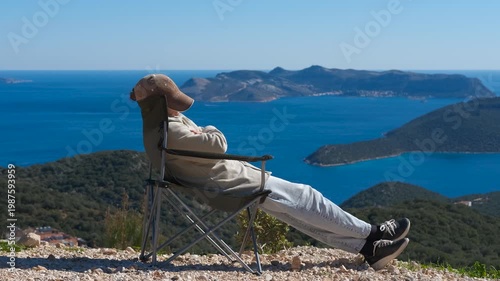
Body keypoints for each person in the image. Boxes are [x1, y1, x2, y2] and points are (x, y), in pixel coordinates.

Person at [131, 74, 411, 271]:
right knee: (306, 196)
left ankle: (368, 248)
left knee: (294, 211)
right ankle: (373, 234)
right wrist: (208, 128)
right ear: (159, 103)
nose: (177, 105)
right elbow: (218, 142)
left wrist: (193, 127)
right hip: (232, 185)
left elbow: (202, 146)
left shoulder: (160, 126)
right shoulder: (172, 129)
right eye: (172, 100)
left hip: (223, 181)